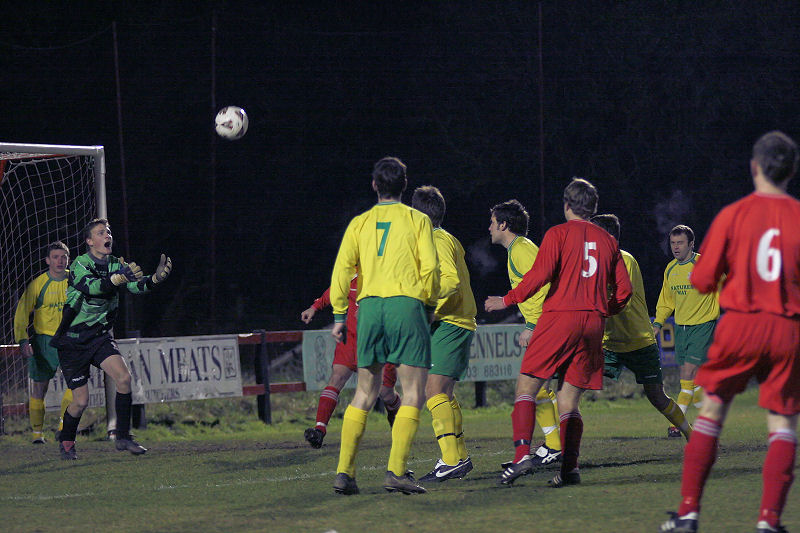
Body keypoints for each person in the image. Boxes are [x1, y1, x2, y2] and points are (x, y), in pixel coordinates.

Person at [660, 131, 800, 533]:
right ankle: (769, 521)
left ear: (754, 167)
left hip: (740, 325)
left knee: (711, 415)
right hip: (786, 328)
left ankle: (688, 513)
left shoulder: (734, 214)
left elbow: (703, 279)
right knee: (782, 425)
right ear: (791, 171)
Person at [485, 177, 632, 487]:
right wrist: (605, 309)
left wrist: (507, 300)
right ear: (592, 208)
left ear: (567, 205)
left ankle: (522, 455)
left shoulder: (558, 234)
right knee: (568, 401)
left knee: (526, 387)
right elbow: (624, 290)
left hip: (560, 318)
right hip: (593, 323)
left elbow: (539, 276)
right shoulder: (608, 241)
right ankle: (569, 469)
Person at [330, 157, 439, 495]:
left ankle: (345, 473)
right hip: (406, 305)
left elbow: (342, 269)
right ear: (404, 186)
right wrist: (430, 305)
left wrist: (338, 315)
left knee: (365, 391)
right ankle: (396, 470)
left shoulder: (359, 223)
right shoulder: (418, 220)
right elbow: (431, 269)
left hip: (370, 307)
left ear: (375, 185)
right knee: (413, 392)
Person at [50, 218, 172, 460]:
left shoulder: (117, 263)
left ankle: (124, 437)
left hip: (99, 337)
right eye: (100, 232)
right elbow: (93, 287)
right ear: (89, 241)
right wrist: (119, 278)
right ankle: (66, 441)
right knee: (80, 401)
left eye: (108, 231)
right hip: (73, 341)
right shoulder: (79, 264)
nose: (107, 235)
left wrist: (154, 280)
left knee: (124, 378)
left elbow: (135, 286)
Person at [590, 214, 692, 440]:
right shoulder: (595, 261)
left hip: (639, 341)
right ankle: (556, 443)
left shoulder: (624, 260)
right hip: (609, 344)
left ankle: (690, 434)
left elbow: (618, 296)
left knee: (656, 396)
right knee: (573, 382)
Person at [410, 185, 477, 483]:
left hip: (450, 323)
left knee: (432, 392)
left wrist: (431, 310)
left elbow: (449, 281)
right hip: (457, 323)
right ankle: (459, 457)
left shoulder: (435, 240)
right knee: (444, 394)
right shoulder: (447, 238)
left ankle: (450, 460)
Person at [489, 199, 562, 469]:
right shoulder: (517, 250)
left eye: (492, 222)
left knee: (529, 389)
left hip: (547, 325)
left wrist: (534, 326)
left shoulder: (521, 249)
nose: (489, 228)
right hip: (544, 324)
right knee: (538, 388)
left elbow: (545, 285)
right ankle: (554, 445)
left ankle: (552, 446)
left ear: (504, 225)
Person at [301, 275, 402, 448]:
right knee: (337, 378)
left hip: (380, 343)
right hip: (352, 342)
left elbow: (401, 305)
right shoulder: (353, 274)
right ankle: (319, 430)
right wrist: (314, 307)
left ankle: (399, 426)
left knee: (386, 393)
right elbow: (335, 291)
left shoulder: (388, 271)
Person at [653, 224, 721, 437]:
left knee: (687, 373)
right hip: (681, 328)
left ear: (691, 244)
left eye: (680, 243)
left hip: (703, 326)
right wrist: (657, 324)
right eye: (673, 243)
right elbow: (666, 302)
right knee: (694, 378)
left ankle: (677, 423)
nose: (675, 247)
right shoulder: (671, 269)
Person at [13, 241, 74, 444]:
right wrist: (23, 340)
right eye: (55, 257)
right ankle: (37, 434)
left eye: (63, 257)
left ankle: (64, 428)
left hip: (70, 339)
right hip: (44, 342)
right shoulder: (38, 284)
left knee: (75, 384)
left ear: (68, 260)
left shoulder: (75, 281)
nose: (59, 260)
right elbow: (21, 313)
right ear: (48, 260)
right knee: (39, 389)